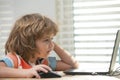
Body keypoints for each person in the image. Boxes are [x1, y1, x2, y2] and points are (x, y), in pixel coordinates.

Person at [0, 13, 79, 78]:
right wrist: (26, 72)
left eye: (52, 39)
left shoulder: (42, 62)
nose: (51, 44)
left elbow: (72, 65)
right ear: (28, 42)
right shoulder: (15, 59)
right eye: (46, 40)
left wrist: (54, 45)